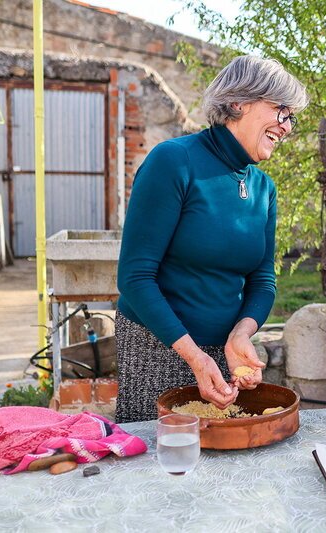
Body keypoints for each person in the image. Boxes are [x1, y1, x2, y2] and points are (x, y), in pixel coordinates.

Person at [114, 55, 309, 423]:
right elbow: (135, 278)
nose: (286, 127)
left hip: (224, 357)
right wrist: (194, 357)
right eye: (281, 111)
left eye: (291, 118)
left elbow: (263, 280)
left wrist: (241, 334)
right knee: (159, 468)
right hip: (158, 349)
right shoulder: (173, 161)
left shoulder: (263, 188)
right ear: (240, 102)